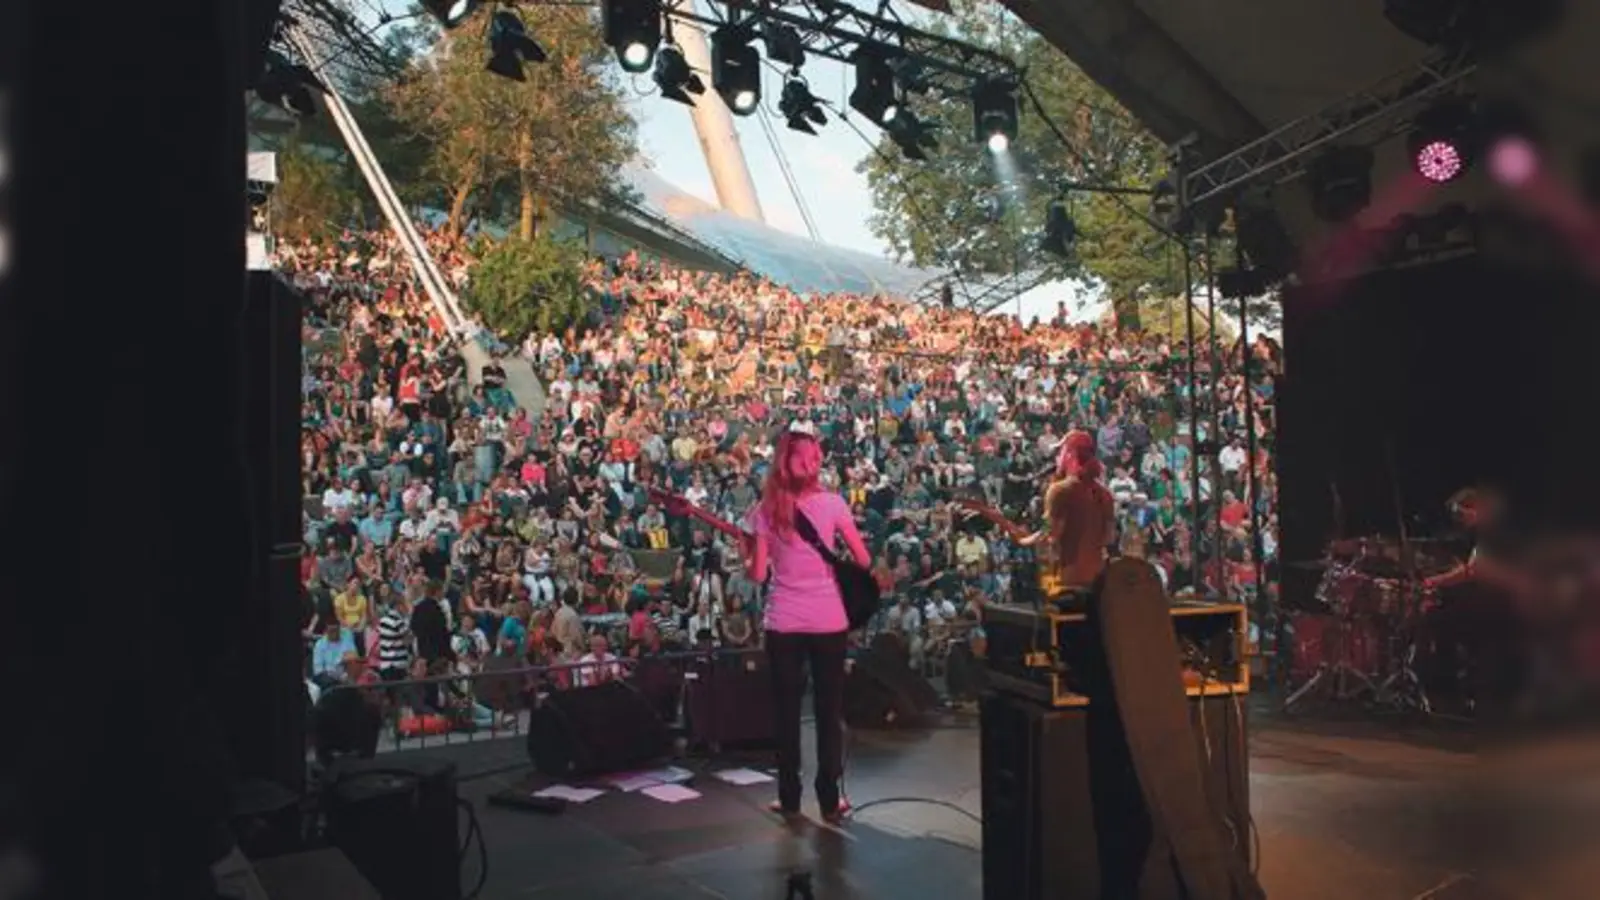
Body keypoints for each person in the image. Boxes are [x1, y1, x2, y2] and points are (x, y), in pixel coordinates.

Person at [744, 429, 871, 825]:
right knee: (828, 711)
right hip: (829, 618)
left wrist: (747, 551)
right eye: (808, 459)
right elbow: (863, 560)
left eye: (816, 458)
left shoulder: (763, 512)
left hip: (783, 620)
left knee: (786, 713)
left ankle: (789, 798)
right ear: (791, 462)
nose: (814, 465)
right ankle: (830, 800)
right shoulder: (833, 504)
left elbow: (759, 574)